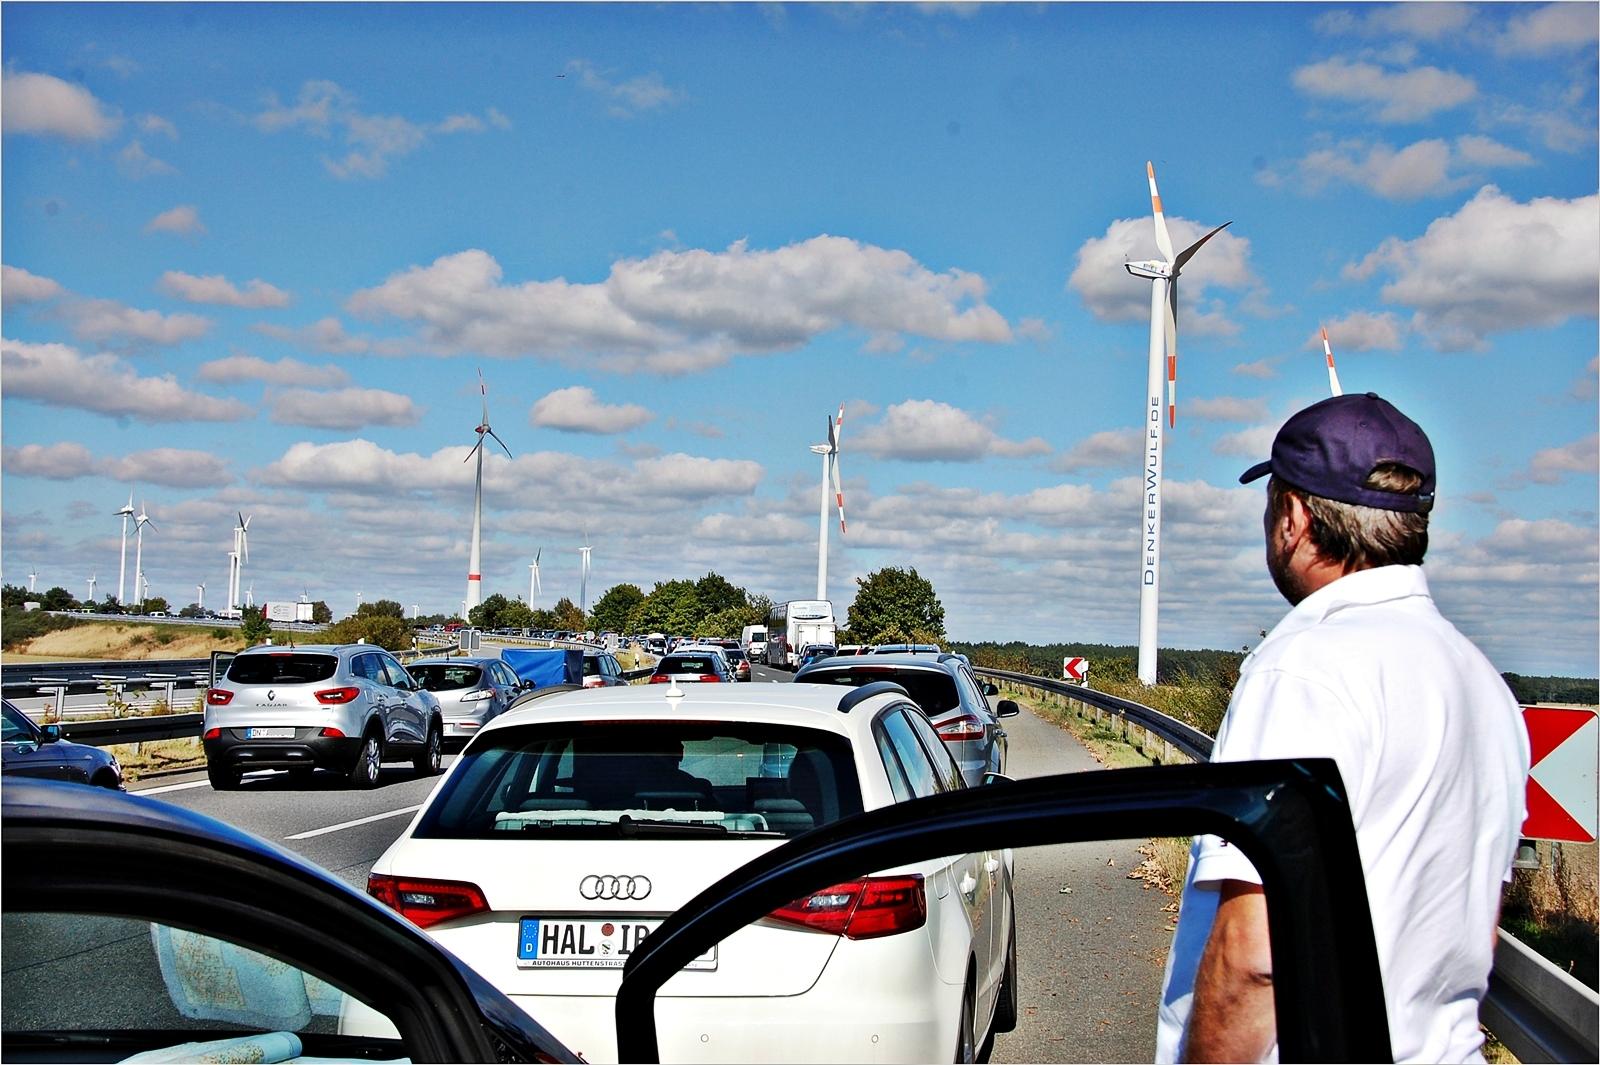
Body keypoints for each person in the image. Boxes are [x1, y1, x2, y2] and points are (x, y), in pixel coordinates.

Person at [1155, 393, 1530, 1064]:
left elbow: (1255, 954)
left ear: (1293, 517)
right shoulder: (1487, 689)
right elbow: (1479, 933)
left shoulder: (1300, 671)